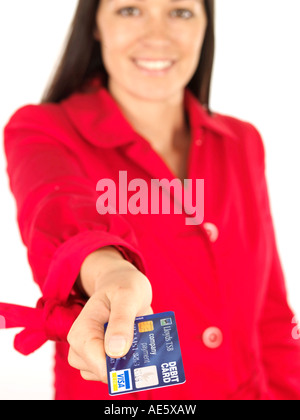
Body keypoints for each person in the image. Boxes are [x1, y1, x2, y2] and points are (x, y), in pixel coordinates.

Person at [1, 0, 300, 400]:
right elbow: (57, 208)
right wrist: (109, 271)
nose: (157, 35)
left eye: (180, 12)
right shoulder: (44, 129)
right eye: (129, 10)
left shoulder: (242, 143)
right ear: (95, 25)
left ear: (205, 25)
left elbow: (271, 317)